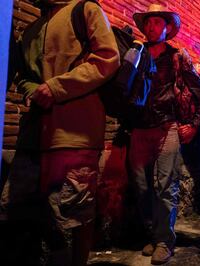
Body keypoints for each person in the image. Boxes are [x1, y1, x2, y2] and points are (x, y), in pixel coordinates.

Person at [0, 0, 120, 265]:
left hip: (75, 131)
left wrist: (56, 87)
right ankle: (58, 254)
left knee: (78, 211)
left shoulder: (85, 9)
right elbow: (22, 74)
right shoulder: (31, 29)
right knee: (22, 206)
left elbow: (107, 58)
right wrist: (33, 90)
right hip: (33, 134)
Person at [129, 4, 200, 264]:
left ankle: (164, 240)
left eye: (157, 23)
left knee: (165, 185)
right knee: (140, 187)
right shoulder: (137, 53)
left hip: (168, 127)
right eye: (148, 23)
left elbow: (198, 92)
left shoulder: (177, 56)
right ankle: (152, 234)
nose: (151, 28)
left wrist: (194, 123)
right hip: (139, 128)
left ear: (167, 27)